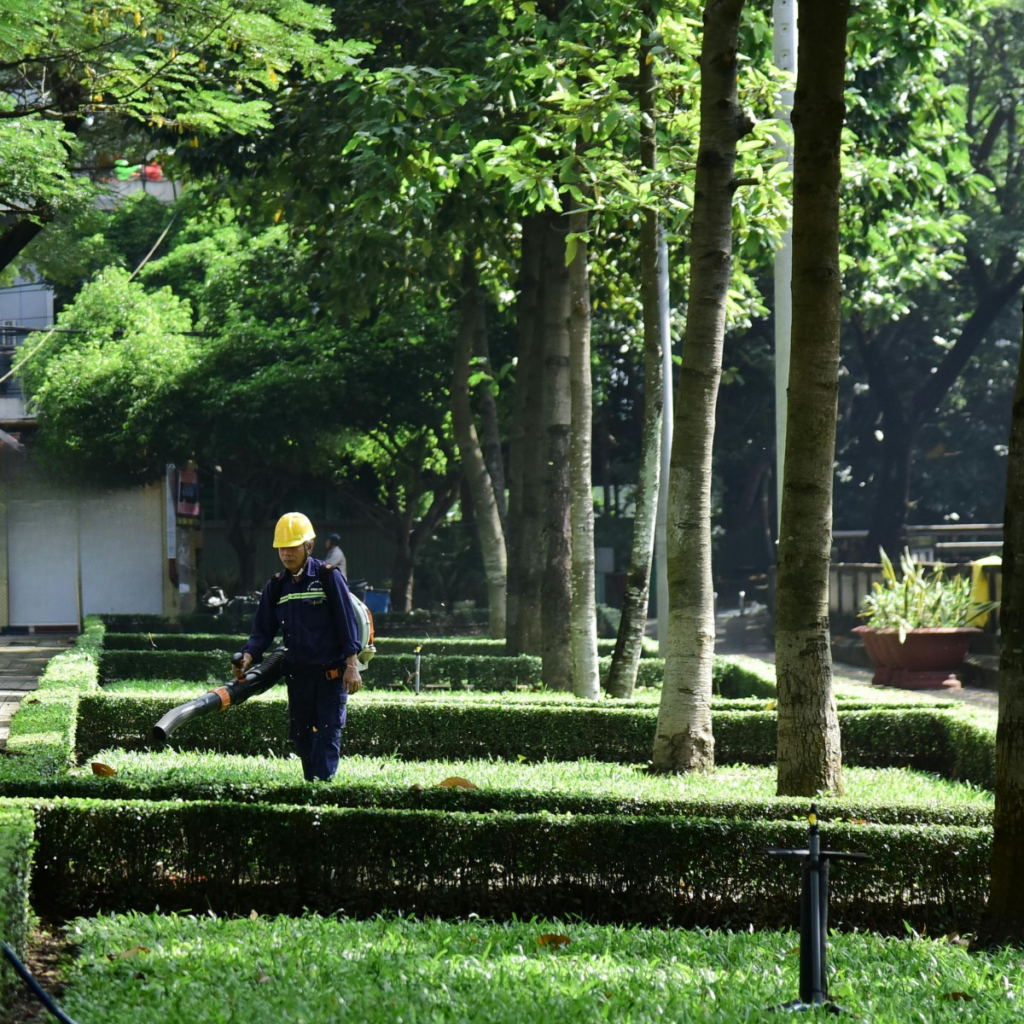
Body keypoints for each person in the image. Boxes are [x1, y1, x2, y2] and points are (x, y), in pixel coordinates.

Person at [235, 512, 362, 781]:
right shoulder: (276, 586)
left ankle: (322, 792)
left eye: (292, 547)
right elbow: (262, 632)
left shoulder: (329, 578)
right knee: (303, 738)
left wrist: (352, 666)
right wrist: (247, 657)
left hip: (331, 678)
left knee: (328, 735)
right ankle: (310, 787)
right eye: (282, 547)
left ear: (309, 546)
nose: (286, 553)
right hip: (298, 678)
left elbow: (346, 623)